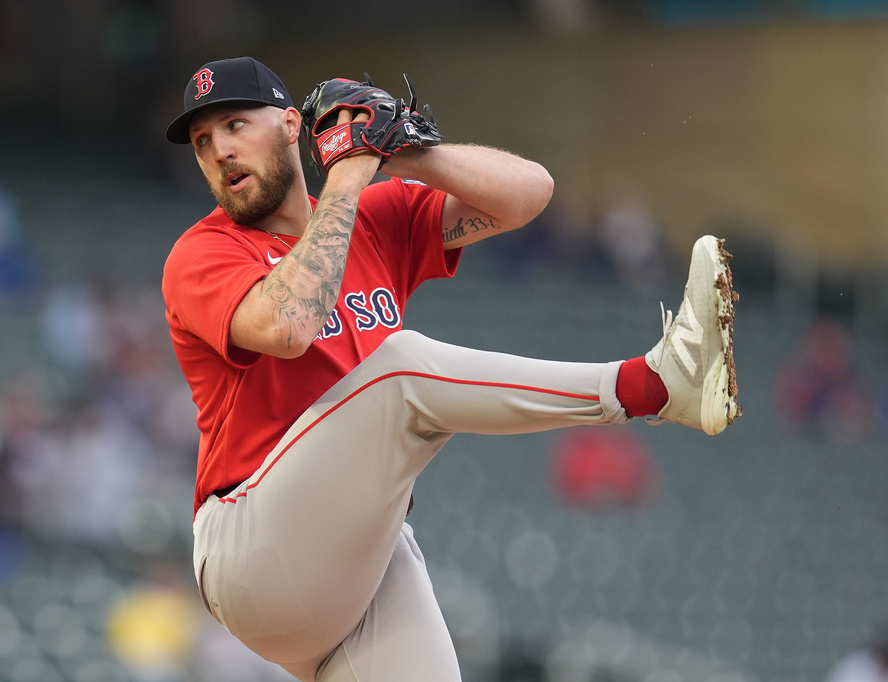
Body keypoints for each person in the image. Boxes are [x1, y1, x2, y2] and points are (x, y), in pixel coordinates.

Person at [160, 56, 740, 681]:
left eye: (235, 125)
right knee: (401, 370)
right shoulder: (203, 252)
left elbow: (529, 194)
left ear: (290, 125)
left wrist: (400, 149)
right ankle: (649, 386)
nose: (219, 149)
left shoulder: (377, 218)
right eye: (202, 140)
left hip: (356, 562)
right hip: (254, 549)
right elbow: (291, 326)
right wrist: (352, 175)